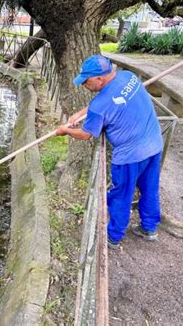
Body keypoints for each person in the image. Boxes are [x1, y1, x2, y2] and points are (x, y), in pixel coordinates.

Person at [56, 55, 163, 249]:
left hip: (130, 156)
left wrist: (65, 131)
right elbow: (108, 100)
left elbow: (85, 135)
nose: (84, 85)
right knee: (150, 188)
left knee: (122, 194)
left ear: (99, 79)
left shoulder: (100, 106)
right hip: (154, 144)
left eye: (86, 81)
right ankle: (149, 228)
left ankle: (113, 237)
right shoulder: (128, 77)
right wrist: (80, 114)